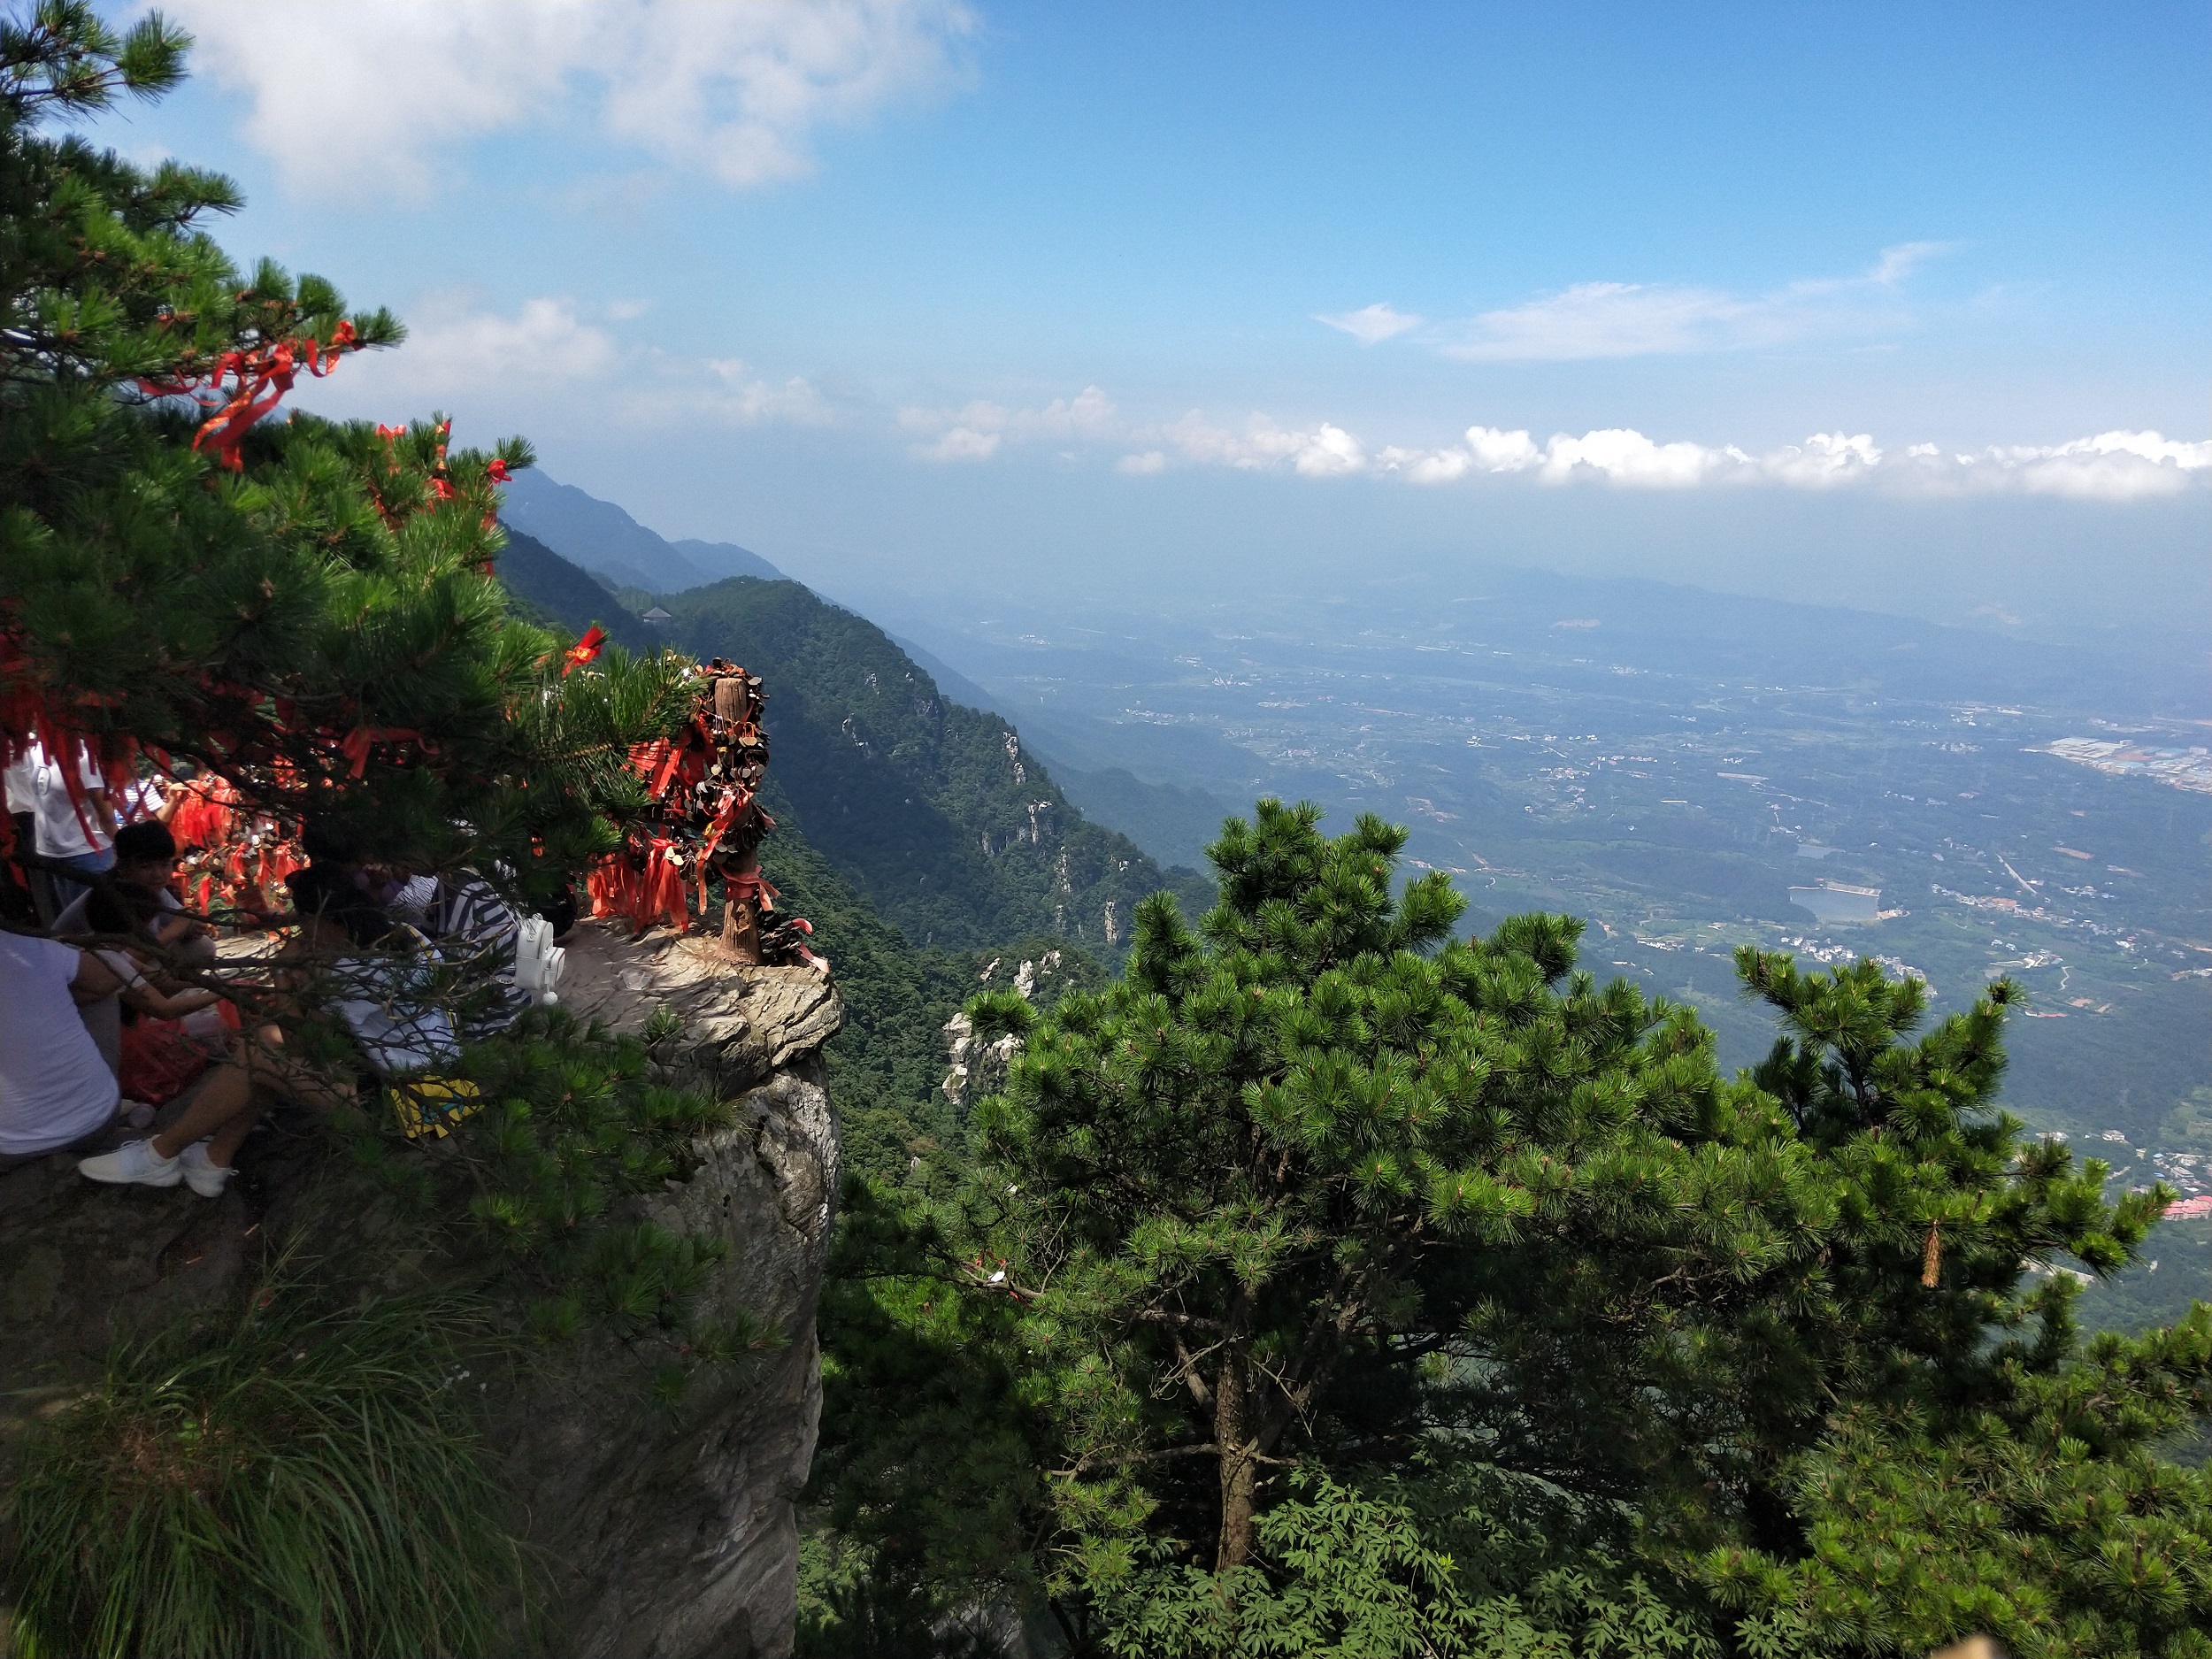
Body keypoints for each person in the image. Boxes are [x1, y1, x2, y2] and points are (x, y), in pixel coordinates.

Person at [1, 930, 131, 1161]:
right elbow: (109, 978)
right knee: (98, 992)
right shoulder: (29, 947)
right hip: (95, 1123)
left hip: (9, 1149)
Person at [51, 819, 212, 962]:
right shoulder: (108, 898)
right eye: (145, 867)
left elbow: (179, 920)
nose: (158, 874)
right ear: (122, 867)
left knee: (201, 946)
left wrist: (190, 927)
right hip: (78, 971)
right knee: (152, 964)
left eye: (165, 864)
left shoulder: (150, 888)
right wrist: (175, 930)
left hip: (119, 964)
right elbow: (121, 961)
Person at [3, 737, 116, 922]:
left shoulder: (84, 757)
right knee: (63, 928)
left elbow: (106, 815)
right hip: (50, 857)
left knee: (93, 925)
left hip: (86, 856)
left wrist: (121, 850)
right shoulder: (38, 752)